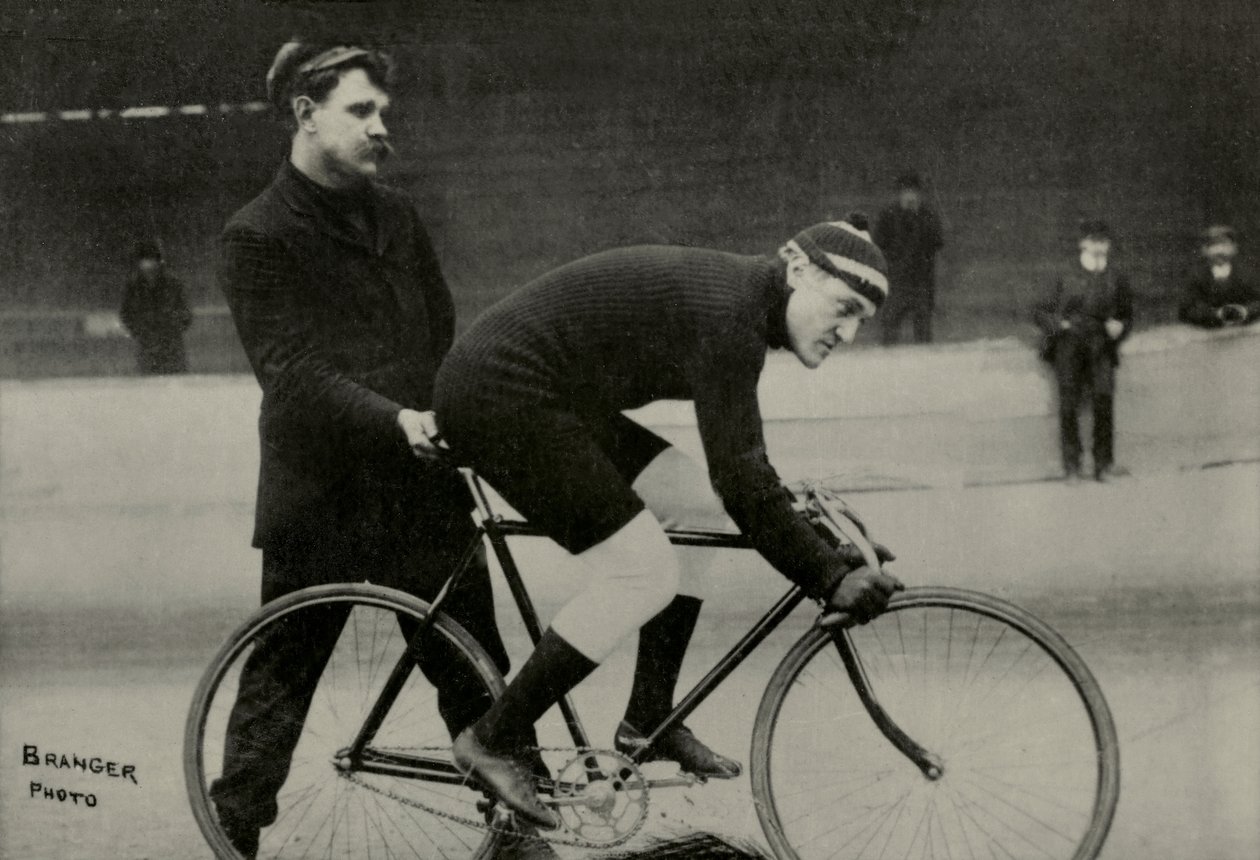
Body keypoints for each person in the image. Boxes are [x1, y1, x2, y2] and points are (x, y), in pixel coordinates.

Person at [432, 218, 905, 829]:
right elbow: (742, 478)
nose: (848, 331)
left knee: (695, 506)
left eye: (862, 319)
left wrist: (831, 551)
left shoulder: (743, 306)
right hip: (499, 395)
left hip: (553, 397)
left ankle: (646, 720)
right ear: (797, 271)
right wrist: (827, 573)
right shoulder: (731, 313)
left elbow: (738, 478)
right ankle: (490, 739)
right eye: (844, 306)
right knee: (643, 571)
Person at [210, 40, 523, 859]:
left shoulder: (398, 214)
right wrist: (396, 419)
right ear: (305, 114)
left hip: (420, 482)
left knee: (477, 665)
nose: (382, 127)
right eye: (361, 110)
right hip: (321, 490)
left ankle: (522, 825)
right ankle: (232, 825)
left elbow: (440, 329)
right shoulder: (256, 234)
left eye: (384, 112)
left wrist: (447, 411)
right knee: (283, 673)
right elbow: (292, 375)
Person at [1033, 220, 1134, 483]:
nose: (1100, 245)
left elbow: (1127, 315)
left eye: (1105, 240)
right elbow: (1039, 311)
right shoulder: (1064, 274)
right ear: (1083, 243)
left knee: (1103, 400)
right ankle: (1072, 466)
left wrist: (1119, 327)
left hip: (1101, 345)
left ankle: (1103, 465)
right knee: (1069, 404)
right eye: (1094, 240)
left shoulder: (1115, 277)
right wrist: (1061, 324)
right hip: (1069, 345)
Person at [874, 170, 944, 344]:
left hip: (921, 279)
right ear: (899, 194)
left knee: (923, 328)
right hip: (896, 278)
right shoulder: (888, 215)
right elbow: (879, 242)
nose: (909, 196)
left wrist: (918, 220)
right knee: (890, 324)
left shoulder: (928, 215)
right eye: (906, 192)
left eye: (913, 192)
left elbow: (937, 242)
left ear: (919, 194)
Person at [119, 239, 192, 373]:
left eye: (152, 259)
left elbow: (185, 313)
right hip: (147, 346)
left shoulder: (173, 283)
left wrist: (172, 329)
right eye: (146, 260)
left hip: (171, 347)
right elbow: (126, 313)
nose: (149, 266)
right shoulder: (133, 286)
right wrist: (139, 331)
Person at [1178, 224, 1260, 329]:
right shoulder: (1196, 276)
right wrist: (1216, 314)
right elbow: (1187, 309)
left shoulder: (1247, 274)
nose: (1219, 251)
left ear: (1234, 248)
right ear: (1204, 250)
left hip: (1244, 332)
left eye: (1225, 245)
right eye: (1213, 246)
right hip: (1207, 334)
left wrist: (1244, 311)